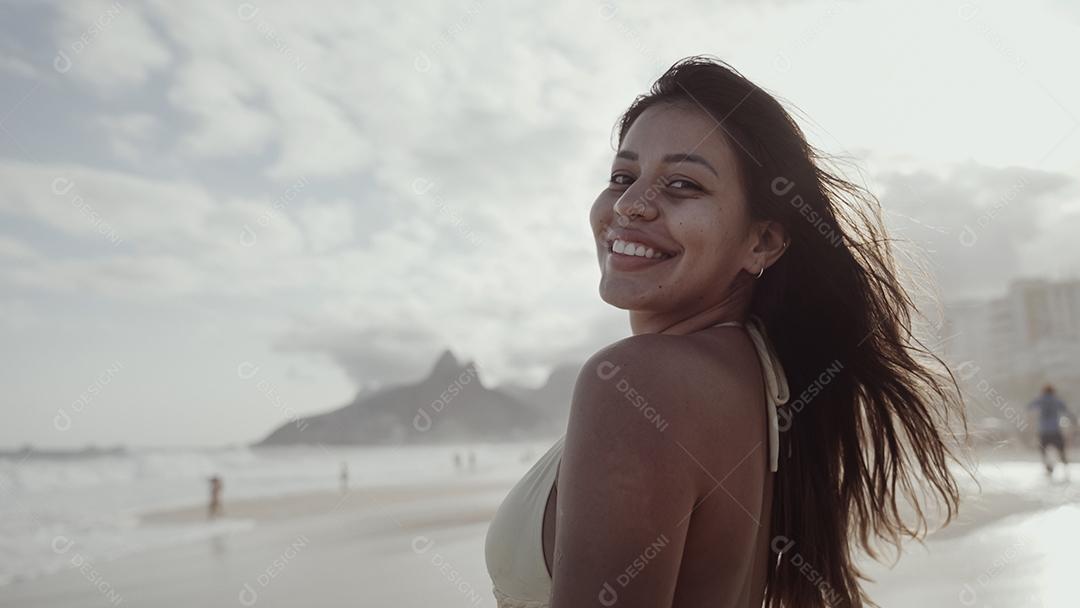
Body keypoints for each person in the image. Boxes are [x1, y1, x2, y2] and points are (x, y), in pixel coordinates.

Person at [484, 56, 971, 608]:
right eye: (622, 176)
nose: (629, 205)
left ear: (761, 242)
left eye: (683, 184)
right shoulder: (755, 376)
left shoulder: (637, 383)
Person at [1028, 384, 1077, 476]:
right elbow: (1066, 411)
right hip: (1055, 430)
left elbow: (1029, 406)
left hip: (1044, 431)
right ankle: (1066, 468)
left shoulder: (1040, 399)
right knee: (1061, 450)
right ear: (1053, 391)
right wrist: (1073, 421)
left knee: (1043, 451)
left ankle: (1048, 467)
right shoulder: (1056, 400)